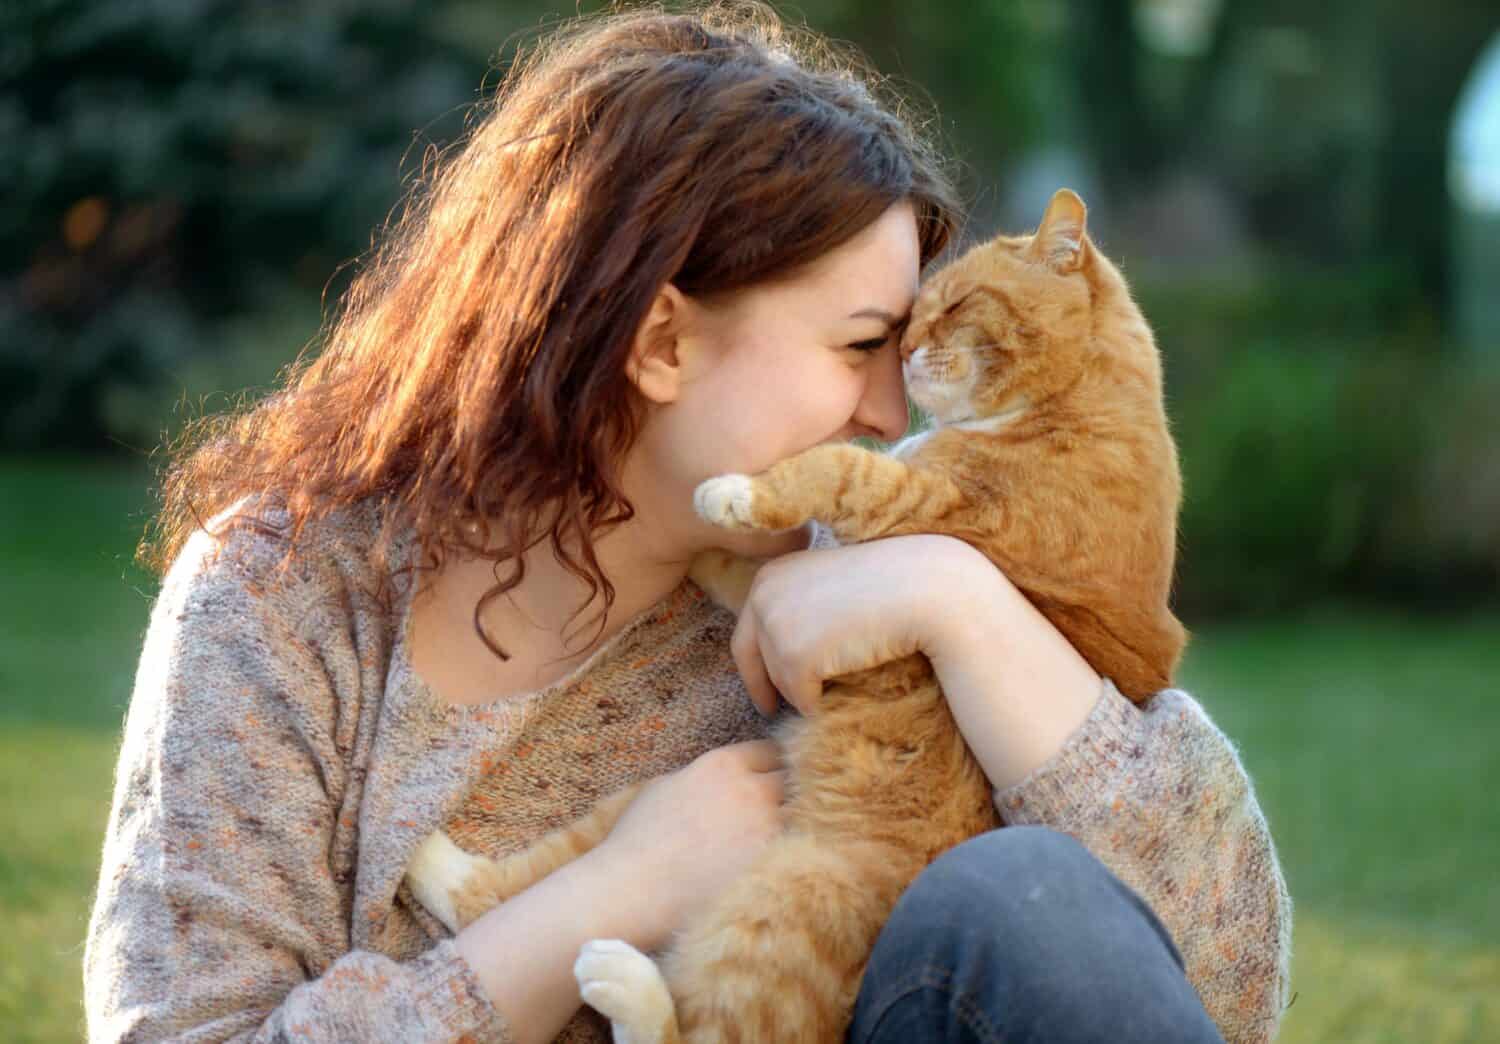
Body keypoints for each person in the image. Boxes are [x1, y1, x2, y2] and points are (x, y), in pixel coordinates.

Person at [84, 5, 1291, 1042]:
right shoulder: (292, 591)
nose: (889, 413)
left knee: (1023, 894)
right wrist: (619, 888)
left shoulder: (871, 579)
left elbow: (1214, 979)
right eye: (863, 346)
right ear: (662, 342)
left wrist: (959, 605)